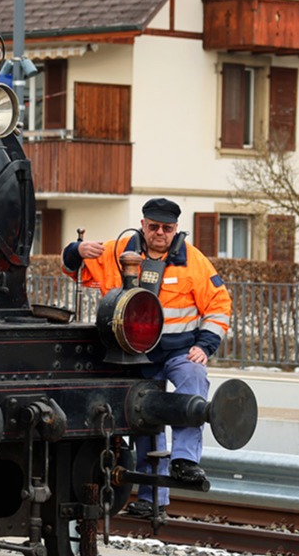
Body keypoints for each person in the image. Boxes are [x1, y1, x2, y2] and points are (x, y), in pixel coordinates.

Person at [63, 197, 232, 519]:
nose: (160, 233)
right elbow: (75, 270)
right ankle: (152, 497)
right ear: (142, 224)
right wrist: (76, 250)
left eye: (167, 229)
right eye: (153, 227)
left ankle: (185, 462)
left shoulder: (193, 262)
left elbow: (219, 305)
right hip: (134, 354)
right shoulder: (116, 252)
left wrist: (205, 345)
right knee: (144, 416)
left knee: (192, 384)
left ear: (176, 230)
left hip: (179, 350)